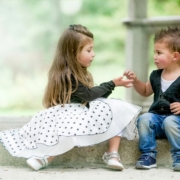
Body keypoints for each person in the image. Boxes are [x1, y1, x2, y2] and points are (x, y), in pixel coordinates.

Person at [0, 24, 141, 171]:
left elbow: (91, 96)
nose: (93, 54)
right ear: (73, 52)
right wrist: (112, 84)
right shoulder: (67, 74)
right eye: (89, 50)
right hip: (68, 116)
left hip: (77, 115)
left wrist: (111, 86)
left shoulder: (78, 72)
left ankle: (112, 153)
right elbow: (88, 95)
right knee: (70, 132)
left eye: (93, 49)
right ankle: (44, 157)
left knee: (114, 110)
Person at [124, 26, 180, 171]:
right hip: (158, 121)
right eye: (154, 52)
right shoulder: (156, 75)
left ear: (175, 56)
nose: (154, 56)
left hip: (176, 122)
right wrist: (136, 80)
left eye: (159, 53)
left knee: (170, 121)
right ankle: (148, 155)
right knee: (145, 118)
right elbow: (144, 91)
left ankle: (179, 157)